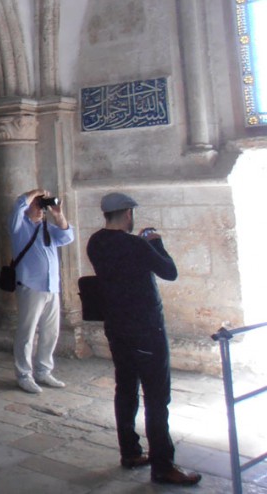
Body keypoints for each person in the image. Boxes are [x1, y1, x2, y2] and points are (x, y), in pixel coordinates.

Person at [86, 192, 201, 486]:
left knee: (125, 389)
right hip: (146, 330)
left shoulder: (95, 242)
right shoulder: (136, 245)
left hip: (117, 328)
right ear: (128, 214)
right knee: (156, 398)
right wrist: (155, 242)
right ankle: (163, 466)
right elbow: (169, 271)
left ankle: (130, 452)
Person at [9, 188, 75, 394]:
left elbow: (67, 237)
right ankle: (24, 375)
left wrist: (58, 215)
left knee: (51, 332)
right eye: (37, 204)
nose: (40, 208)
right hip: (30, 285)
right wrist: (35, 193)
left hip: (51, 286)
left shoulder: (47, 228)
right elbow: (18, 205)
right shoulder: (19, 227)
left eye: (41, 205)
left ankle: (43, 371)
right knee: (27, 333)